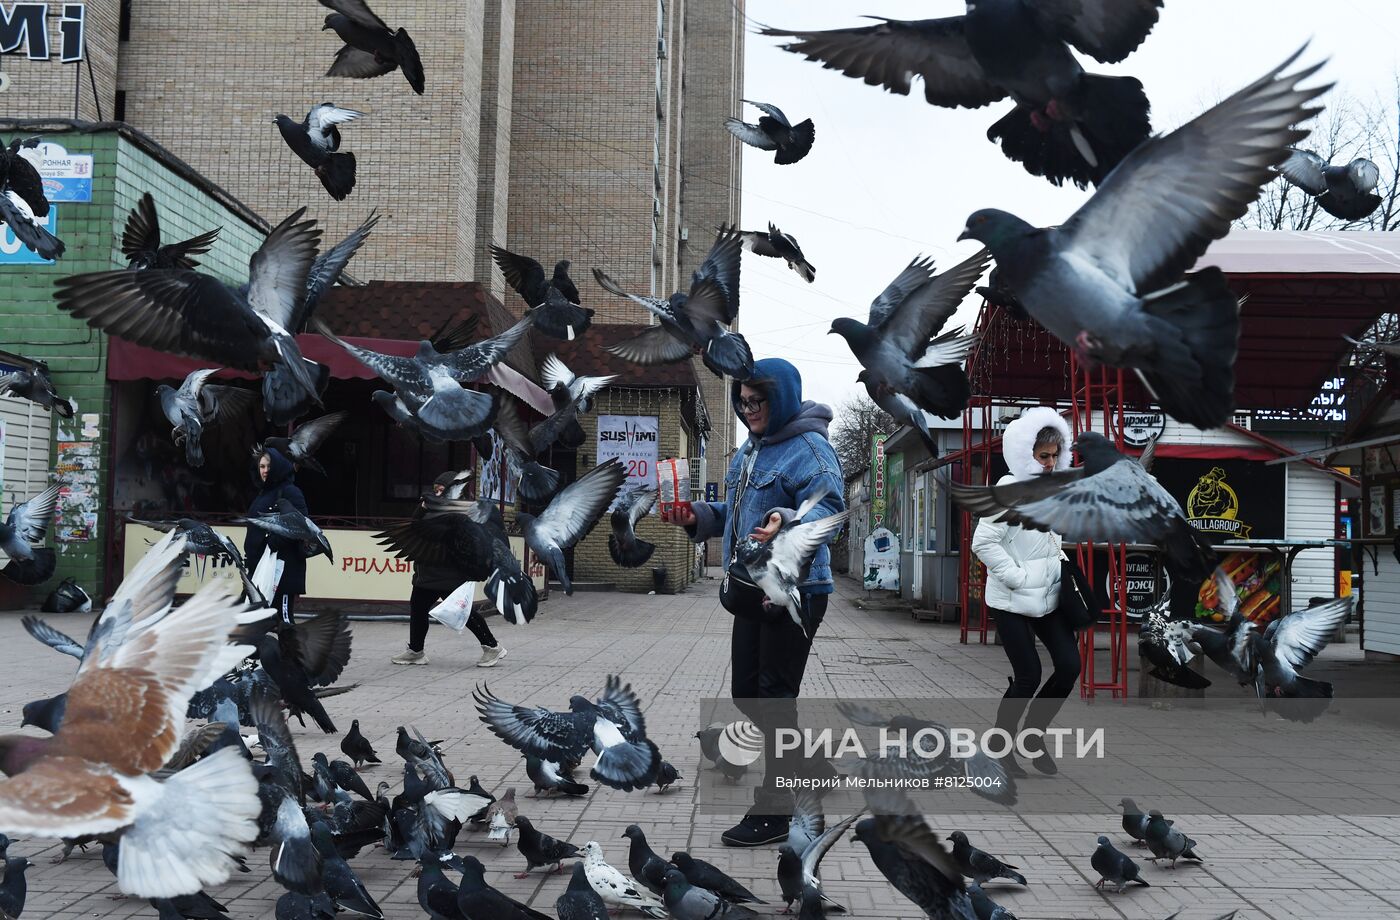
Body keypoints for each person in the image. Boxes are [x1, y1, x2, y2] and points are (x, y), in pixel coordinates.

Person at [670, 357, 844, 847]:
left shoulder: (809, 448)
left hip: (795, 593)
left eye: (757, 401)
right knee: (750, 695)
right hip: (752, 592)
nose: (749, 410)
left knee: (773, 698)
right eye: (742, 402)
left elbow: (830, 511)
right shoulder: (751, 449)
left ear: (781, 397)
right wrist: (696, 517)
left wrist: (783, 519)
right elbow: (735, 513)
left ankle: (776, 812)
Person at [970, 406, 1082, 777]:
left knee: (1069, 664)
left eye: (1055, 455)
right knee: (1028, 675)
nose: (1050, 463)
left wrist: (1060, 567)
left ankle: (1033, 736)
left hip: (1048, 598)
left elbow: (1048, 542)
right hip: (1011, 599)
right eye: (1042, 456)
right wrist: (1016, 576)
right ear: (1025, 455)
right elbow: (983, 543)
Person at [391, 471, 507, 667]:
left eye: (442, 489)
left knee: (464, 612)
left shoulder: (462, 510)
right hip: (426, 571)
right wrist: (423, 508)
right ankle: (416, 651)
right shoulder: (429, 506)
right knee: (418, 609)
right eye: (436, 488)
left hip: (448, 572)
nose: (437, 492)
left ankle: (493, 647)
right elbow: (415, 528)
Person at [244, 447, 309, 625]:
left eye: (268, 466)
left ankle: (294, 653)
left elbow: (302, 525)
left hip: (282, 570)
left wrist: (273, 543)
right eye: (262, 466)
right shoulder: (262, 494)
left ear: (278, 466)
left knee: (284, 620)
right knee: (254, 619)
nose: (264, 471)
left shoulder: (290, 491)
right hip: (260, 570)